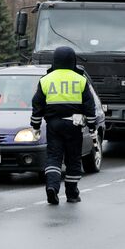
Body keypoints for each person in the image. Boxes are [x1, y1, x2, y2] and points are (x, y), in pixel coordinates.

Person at [30, 46, 97, 205]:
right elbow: (89, 105)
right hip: (74, 125)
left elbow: (37, 104)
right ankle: (72, 194)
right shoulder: (80, 80)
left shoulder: (46, 80)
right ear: (72, 60)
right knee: (73, 159)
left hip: (54, 125)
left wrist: (36, 125)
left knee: (54, 157)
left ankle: (52, 187)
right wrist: (92, 126)